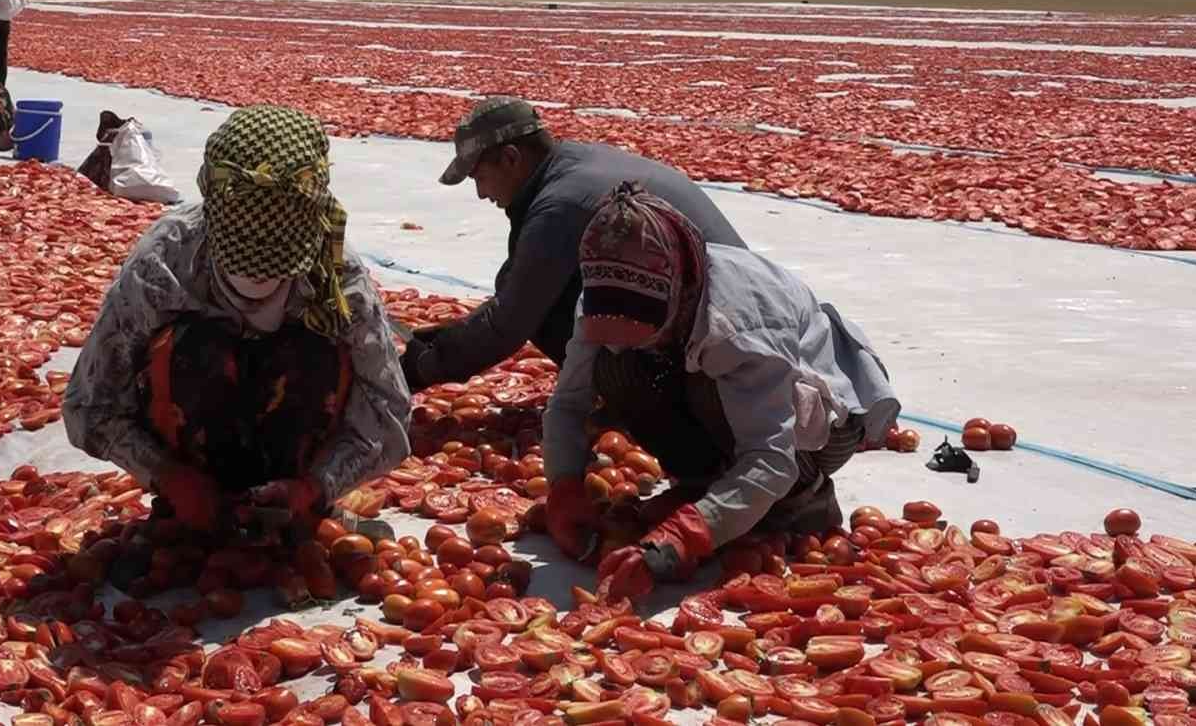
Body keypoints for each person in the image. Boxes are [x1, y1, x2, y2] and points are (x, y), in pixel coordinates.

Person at [63, 105, 411, 538]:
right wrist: (167, 476)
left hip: (299, 451)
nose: (257, 279)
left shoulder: (336, 276)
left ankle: (296, 509)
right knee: (195, 349)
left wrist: (318, 485)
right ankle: (190, 510)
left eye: (276, 264)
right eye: (241, 259)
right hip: (187, 445)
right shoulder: (165, 263)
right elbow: (89, 405)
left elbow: (388, 408)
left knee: (315, 350)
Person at [541, 183, 899, 600]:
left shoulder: (739, 321)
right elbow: (569, 402)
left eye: (646, 326)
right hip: (730, 390)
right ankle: (712, 489)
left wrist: (686, 534)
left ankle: (802, 503)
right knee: (618, 368)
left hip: (821, 427)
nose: (632, 339)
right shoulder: (607, 293)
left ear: (680, 288)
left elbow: (771, 456)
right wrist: (563, 484)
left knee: (708, 387)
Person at [401, 96, 746, 392]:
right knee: (529, 285)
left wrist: (418, 370)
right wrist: (453, 335)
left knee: (545, 309)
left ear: (510, 158)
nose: (480, 193)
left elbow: (510, 322)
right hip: (735, 313)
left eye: (479, 177)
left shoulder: (561, 204)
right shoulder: (578, 162)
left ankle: (650, 401)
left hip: (728, 345)